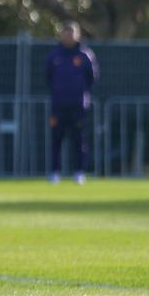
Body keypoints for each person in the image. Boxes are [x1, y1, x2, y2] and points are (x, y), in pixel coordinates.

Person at [45, 21, 98, 185]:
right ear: (61, 35)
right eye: (65, 33)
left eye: (71, 33)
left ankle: (79, 172)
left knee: (79, 140)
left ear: (77, 35)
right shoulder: (54, 56)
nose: (68, 36)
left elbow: (92, 78)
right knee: (56, 139)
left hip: (78, 106)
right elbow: (48, 77)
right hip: (58, 105)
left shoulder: (85, 55)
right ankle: (55, 173)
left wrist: (81, 94)